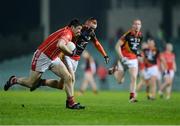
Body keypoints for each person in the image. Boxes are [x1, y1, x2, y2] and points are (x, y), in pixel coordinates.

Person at [4, 19, 85, 109]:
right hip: (42, 56)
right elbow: (60, 45)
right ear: (72, 27)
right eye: (78, 29)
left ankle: (70, 103)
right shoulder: (68, 33)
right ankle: (14, 80)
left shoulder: (67, 32)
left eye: (81, 30)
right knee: (30, 83)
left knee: (68, 77)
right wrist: (70, 53)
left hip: (53, 58)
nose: (79, 32)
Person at [30, 18, 109, 97]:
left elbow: (97, 44)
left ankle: (40, 82)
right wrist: (61, 54)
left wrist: (105, 55)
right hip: (68, 56)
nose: (92, 30)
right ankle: (71, 102)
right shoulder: (79, 29)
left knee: (61, 86)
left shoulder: (91, 34)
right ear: (87, 23)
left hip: (76, 60)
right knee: (72, 79)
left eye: (94, 29)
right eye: (91, 28)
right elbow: (65, 40)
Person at [109, 19, 143, 102]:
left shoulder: (140, 35)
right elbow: (117, 46)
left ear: (140, 26)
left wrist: (138, 53)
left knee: (134, 77)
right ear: (133, 25)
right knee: (120, 81)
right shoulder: (127, 35)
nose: (137, 25)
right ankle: (115, 70)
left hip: (133, 59)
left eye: (139, 24)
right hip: (124, 58)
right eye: (136, 24)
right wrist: (121, 57)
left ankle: (132, 97)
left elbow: (135, 47)